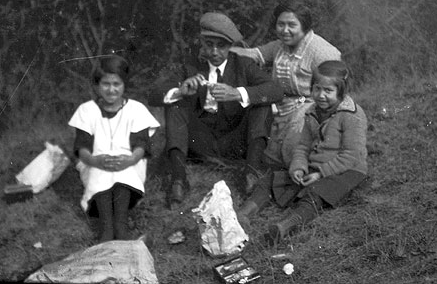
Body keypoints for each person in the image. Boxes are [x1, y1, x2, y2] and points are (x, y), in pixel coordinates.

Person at [148, 12, 284, 209]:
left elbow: (275, 90)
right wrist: (180, 90)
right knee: (176, 103)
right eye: (209, 44)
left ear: (230, 46)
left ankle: (251, 172)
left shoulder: (243, 65)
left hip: (235, 141)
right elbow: (154, 95)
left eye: (221, 46)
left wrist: (237, 93)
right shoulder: (190, 65)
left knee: (261, 104)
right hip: (200, 142)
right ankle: (178, 179)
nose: (214, 51)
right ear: (202, 43)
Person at [239, 60, 368, 244]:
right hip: (315, 166)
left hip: (347, 170)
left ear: (342, 91)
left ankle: (285, 227)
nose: (321, 95)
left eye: (328, 91)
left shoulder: (351, 115)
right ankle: (244, 214)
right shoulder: (312, 112)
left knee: (315, 193)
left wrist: (320, 174)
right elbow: (303, 146)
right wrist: (298, 167)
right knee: (271, 179)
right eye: (317, 89)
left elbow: (351, 156)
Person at [231, 1, 341, 170]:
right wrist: (225, 51)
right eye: (280, 24)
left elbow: (335, 93)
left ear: (304, 26)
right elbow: (255, 54)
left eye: (291, 25)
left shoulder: (323, 52)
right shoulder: (279, 46)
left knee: (293, 148)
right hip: (281, 107)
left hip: (313, 109)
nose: (285, 30)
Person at [68, 55, 160, 242]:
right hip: (95, 162)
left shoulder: (135, 109)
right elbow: (82, 147)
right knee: (99, 175)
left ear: (124, 85)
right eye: (106, 84)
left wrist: (130, 160)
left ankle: (121, 224)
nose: (111, 90)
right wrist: (95, 160)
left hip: (128, 162)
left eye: (116, 84)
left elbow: (141, 145)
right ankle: (106, 228)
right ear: (97, 86)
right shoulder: (87, 110)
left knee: (122, 175)